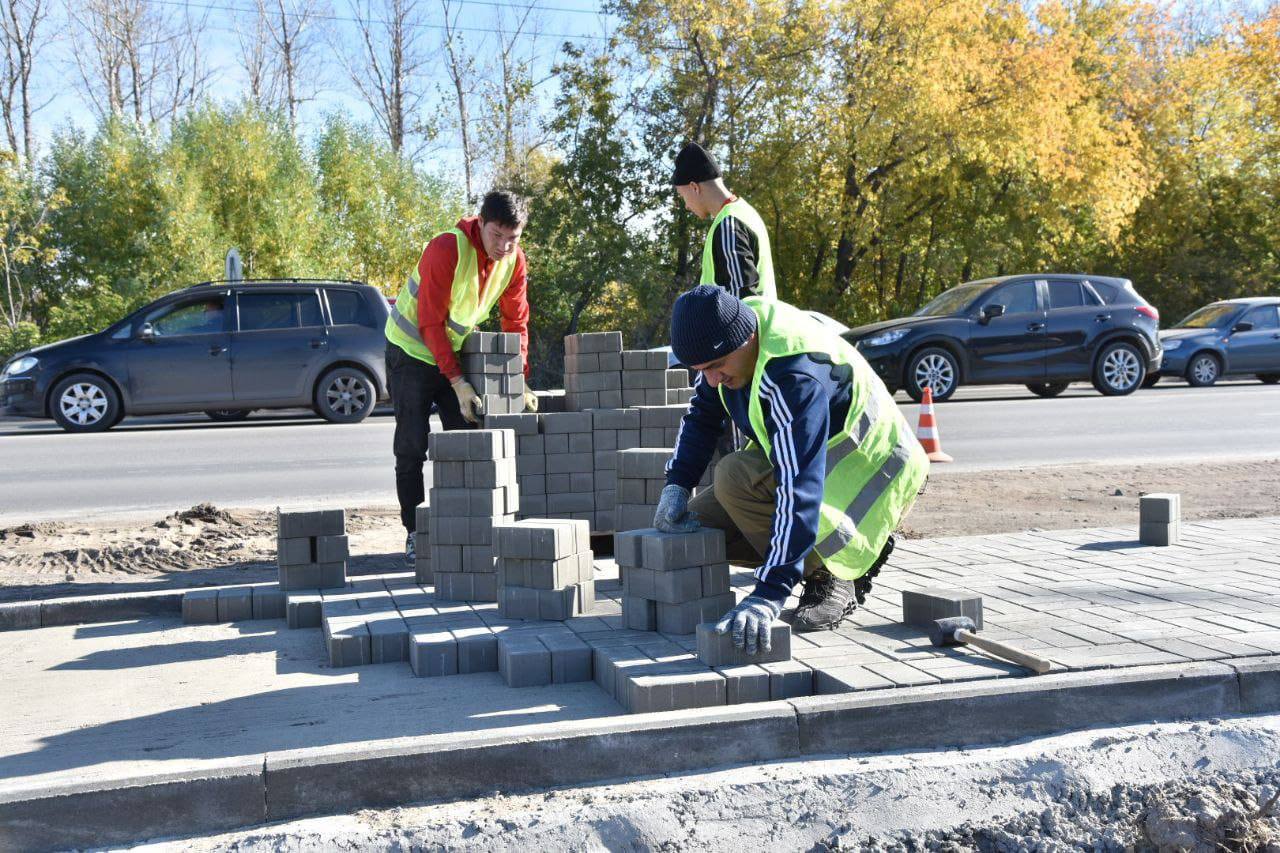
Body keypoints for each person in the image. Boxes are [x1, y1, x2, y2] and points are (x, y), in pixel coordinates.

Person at [653, 286, 928, 653]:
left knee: (734, 477)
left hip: (875, 470)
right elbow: (703, 416)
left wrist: (770, 592)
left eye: (717, 367)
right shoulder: (728, 335)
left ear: (747, 338)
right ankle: (805, 558)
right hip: (812, 462)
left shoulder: (792, 375)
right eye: (702, 371)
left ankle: (834, 573)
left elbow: (798, 485)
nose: (713, 379)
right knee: (699, 525)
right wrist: (677, 485)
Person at [384, 189, 536, 564]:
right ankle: (416, 532)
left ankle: (465, 530)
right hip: (411, 353)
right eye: (496, 235)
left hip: (453, 354)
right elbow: (430, 322)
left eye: (512, 238)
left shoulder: (514, 261)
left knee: (467, 441)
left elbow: (516, 321)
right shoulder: (447, 249)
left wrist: (519, 376)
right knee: (412, 446)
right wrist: (456, 380)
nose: (503, 246)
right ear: (480, 223)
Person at [671, 141, 776, 301]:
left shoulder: (729, 225)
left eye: (683, 196)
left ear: (694, 187)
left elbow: (741, 307)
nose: (686, 205)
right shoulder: (745, 212)